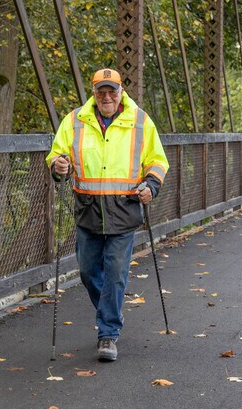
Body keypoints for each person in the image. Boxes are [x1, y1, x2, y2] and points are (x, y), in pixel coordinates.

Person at [46, 68, 168, 362]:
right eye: (101, 91)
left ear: (121, 91)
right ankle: (108, 312)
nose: (107, 96)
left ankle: (108, 334)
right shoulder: (74, 121)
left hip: (123, 211)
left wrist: (151, 185)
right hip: (87, 211)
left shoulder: (140, 121)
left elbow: (157, 160)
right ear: (94, 92)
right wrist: (59, 166)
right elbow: (57, 155)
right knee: (88, 272)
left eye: (112, 90)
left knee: (115, 274)